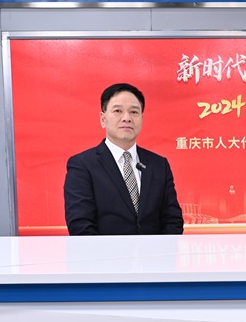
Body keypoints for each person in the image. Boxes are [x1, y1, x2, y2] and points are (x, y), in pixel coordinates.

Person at [64, 83, 184, 235]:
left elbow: (173, 221)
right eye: (118, 111)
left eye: (134, 112)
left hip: (155, 251)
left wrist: (158, 250)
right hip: (104, 251)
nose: (126, 118)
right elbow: (81, 226)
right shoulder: (82, 165)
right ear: (103, 119)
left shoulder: (159, 165)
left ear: (142, 118)